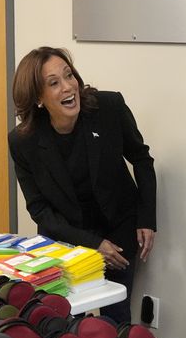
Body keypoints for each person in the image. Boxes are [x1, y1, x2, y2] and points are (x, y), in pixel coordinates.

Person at [8, 47, 156, 323]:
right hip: (66, 239)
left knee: (116, 319)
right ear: (38, 98)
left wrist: (147, 218)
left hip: (119, 230)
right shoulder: (23, 141)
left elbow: (142, 159)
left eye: (69, 75)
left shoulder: (108, 107)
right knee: (66, 321)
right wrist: (92, 243)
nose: (68, 87)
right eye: (54, 83)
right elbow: (39, 209)